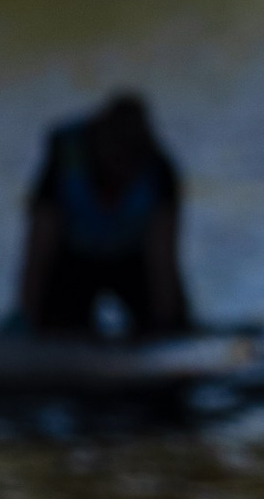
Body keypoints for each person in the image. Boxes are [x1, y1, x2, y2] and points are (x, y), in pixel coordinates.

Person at [15, 92, 191, 338]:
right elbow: (39, 247)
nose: (123, 169)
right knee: (54, 323)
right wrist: (25, 315)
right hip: (73, 263)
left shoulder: (159, 170)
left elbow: (163, 261)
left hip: (132, 263)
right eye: (118, 155)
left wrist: (169, 326)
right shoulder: (64, 158)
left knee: (169, 320)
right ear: (100, 140)